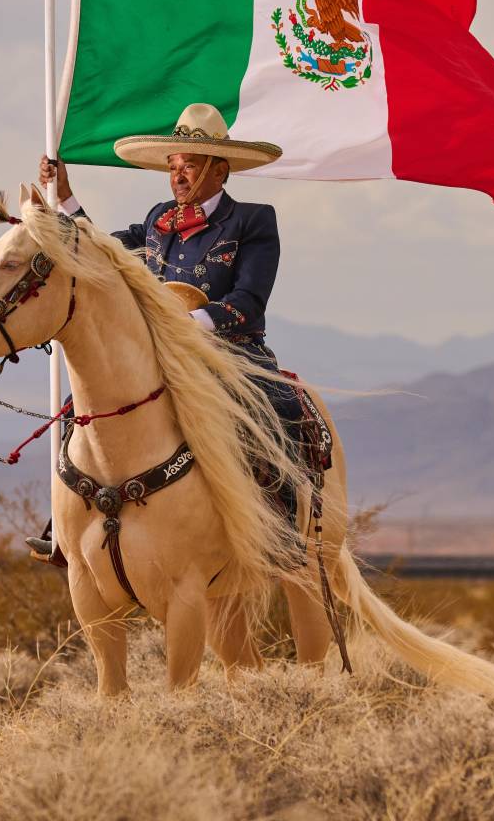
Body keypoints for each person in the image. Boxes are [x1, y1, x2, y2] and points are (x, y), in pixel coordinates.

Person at [27, 102, 308, 560]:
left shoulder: (253, 221)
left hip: (230, 350)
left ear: (220, 171)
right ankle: (66, 522)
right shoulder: (159, 220)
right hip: (156, 351)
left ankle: (282, 529)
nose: (177, 176)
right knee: (76, 410)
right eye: (173, 167)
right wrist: (64, 196)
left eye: (189, 166)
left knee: (279, 408)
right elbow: (102, 255)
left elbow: (249, 301)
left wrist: (185, 323)